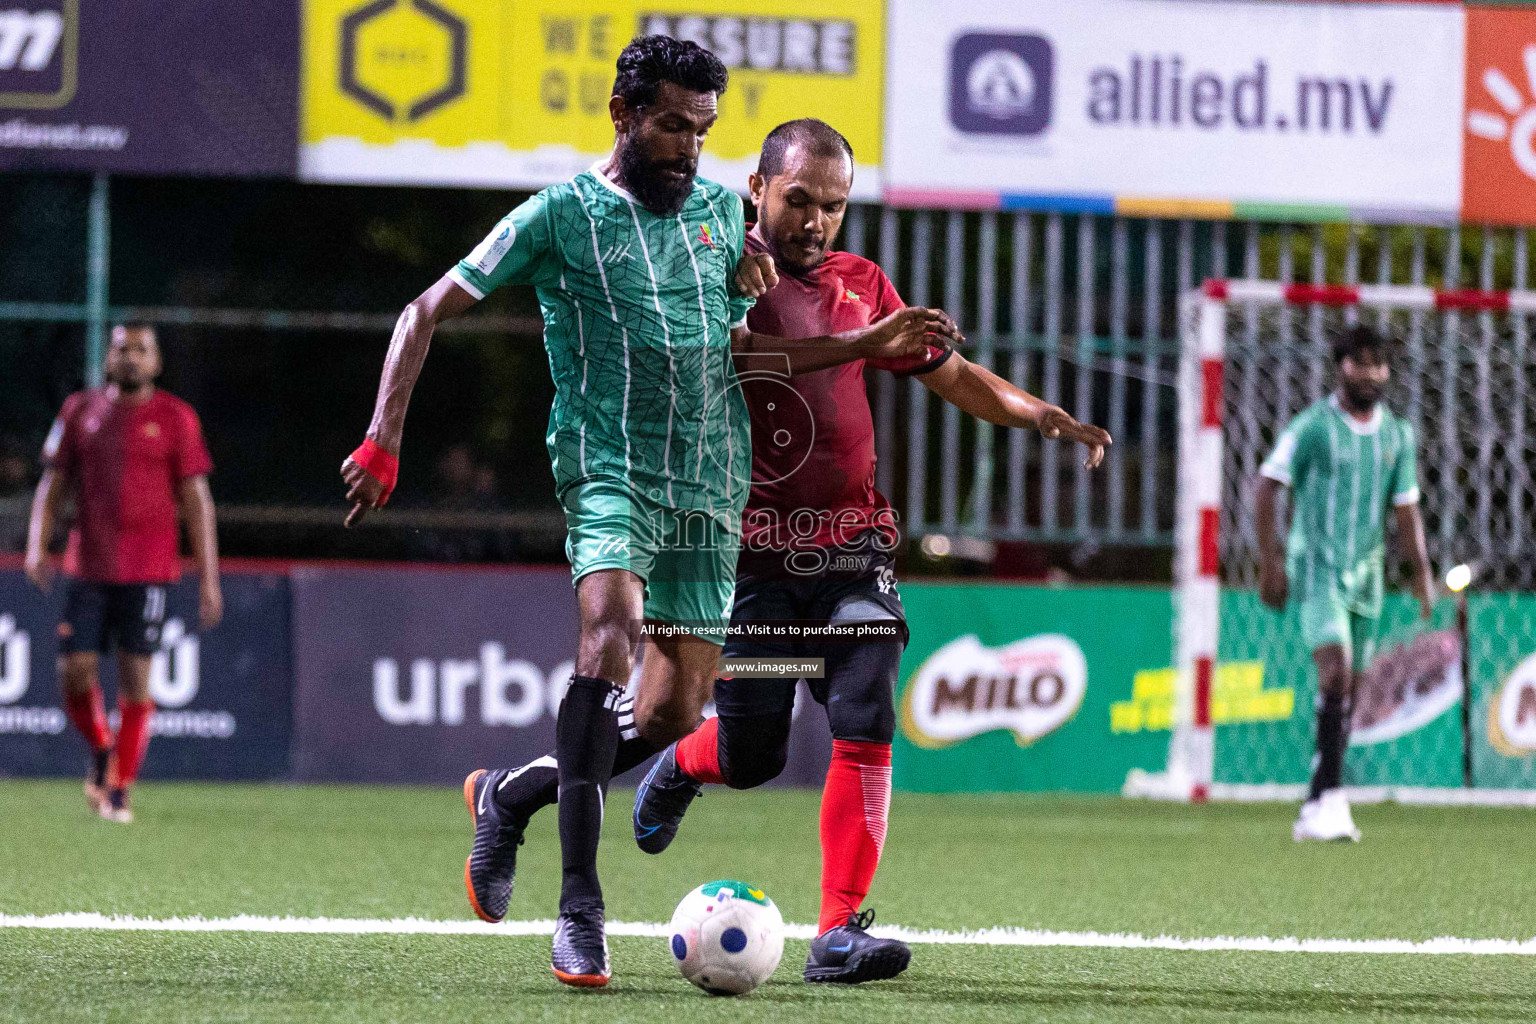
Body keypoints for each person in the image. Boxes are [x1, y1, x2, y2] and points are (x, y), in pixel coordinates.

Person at [339, 40, 957, 988]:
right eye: (672, 125)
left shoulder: (722, 219)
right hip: (610, 471)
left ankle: (509, 795)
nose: (688, 148)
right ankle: (579, 912)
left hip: (711, 493)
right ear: (625, 114)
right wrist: (384, 440)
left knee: (672, 711)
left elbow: (752, 354)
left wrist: (818, 317)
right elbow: (421, 312)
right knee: (610, 633)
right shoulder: (559, 216)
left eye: (703, 130)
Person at [475, 118, 1110, 984]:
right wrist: (857, 343)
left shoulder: (861, 284)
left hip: (849, 548)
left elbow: (950, 371)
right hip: (743, 559)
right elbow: (736, 358)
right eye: (800, 200)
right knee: (750, 751)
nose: (816, 221)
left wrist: (1035, 412)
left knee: (867, 692)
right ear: (758, 192)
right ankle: (640, 771)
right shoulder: (717, 269)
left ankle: (838, 933)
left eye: (835, 206)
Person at [24, 323, 222, 824]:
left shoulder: (176, 417)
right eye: (122, 349)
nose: (130, 357)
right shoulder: (80, 411)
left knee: (137, 682)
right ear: (108, 357)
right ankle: (101, 749)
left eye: (141, 350)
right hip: (87, 566)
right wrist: (36, 546)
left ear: (156, 361)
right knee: (74, 673)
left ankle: (119, 788)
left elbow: (196, 500)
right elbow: (53, 484)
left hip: (149, 571)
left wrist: (209, 577)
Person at [1255, 324, 1434, 843]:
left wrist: (1420, 573)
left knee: (1349, 688)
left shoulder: (1396, 435)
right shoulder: (1312, 427)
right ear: (1341, 366)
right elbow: (1267, 487)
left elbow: (1406, 511)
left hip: (1367, 575)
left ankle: (1316, 798)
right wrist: (1271, 562)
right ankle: (1333, 799)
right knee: (1335, 670)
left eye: (1379, 363)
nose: (1371, 372)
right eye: (1360, 361)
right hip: (1315, 568)